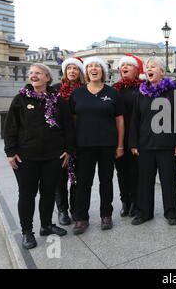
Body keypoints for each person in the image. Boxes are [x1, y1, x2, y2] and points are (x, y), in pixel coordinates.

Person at [4, 63, 74, 249]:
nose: (33, 75)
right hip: (26, 157)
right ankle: (27, 231)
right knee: (27, 194)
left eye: (38, 73)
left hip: (53, 156)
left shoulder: (59, 100)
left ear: (47, 77)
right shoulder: (20, 99)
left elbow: (68, 127)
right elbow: (10, 127)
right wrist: (10, 152)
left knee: (48, 193)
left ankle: (46, 225)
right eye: (31, 73)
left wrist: (68, 149)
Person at [70, 57, 125, 235]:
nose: (94, 69)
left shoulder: (113, 92)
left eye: (97, 66)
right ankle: (81, 218)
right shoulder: (77, 93)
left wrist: (120, 145)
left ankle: (106, 215)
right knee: (83, 183)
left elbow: (120, 120)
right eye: (90, 67)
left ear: (103, 71)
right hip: (84, 146)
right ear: (86, 72)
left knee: (106, 181)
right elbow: (73, 120)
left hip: (107, 145)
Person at [130, 57, 176, 226]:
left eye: (153, 67)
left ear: (162, 71)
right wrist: (133, 143)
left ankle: (172, 212)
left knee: (168, 180)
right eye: (147, 67)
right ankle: (144, 213)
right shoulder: (140, 93)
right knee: (144, 181)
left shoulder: (171, 93)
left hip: (167, 146)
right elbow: (135, 120)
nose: (149, 69)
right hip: (145, 145)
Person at [52, 57, 85, 225]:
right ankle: (62, 210)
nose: (72, 71)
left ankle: (75, 208)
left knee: (78, 177)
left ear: (80, 72)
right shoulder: (55, 90)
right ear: (65, 71)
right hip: (60, 140)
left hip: (80, 139)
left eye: (76, 68)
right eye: (69, 68)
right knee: (60, 177)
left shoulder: (85, 90)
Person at [112, 54, 145, 218]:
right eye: (122, 65)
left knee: (135, 171)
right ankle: (125, 201)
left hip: (138, 137)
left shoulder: (143, 88)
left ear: (137, 70)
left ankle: (135, 201)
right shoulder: (114, 89)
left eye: (128, 65)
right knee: (121, 171)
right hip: (119, 138)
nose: (124, 67)